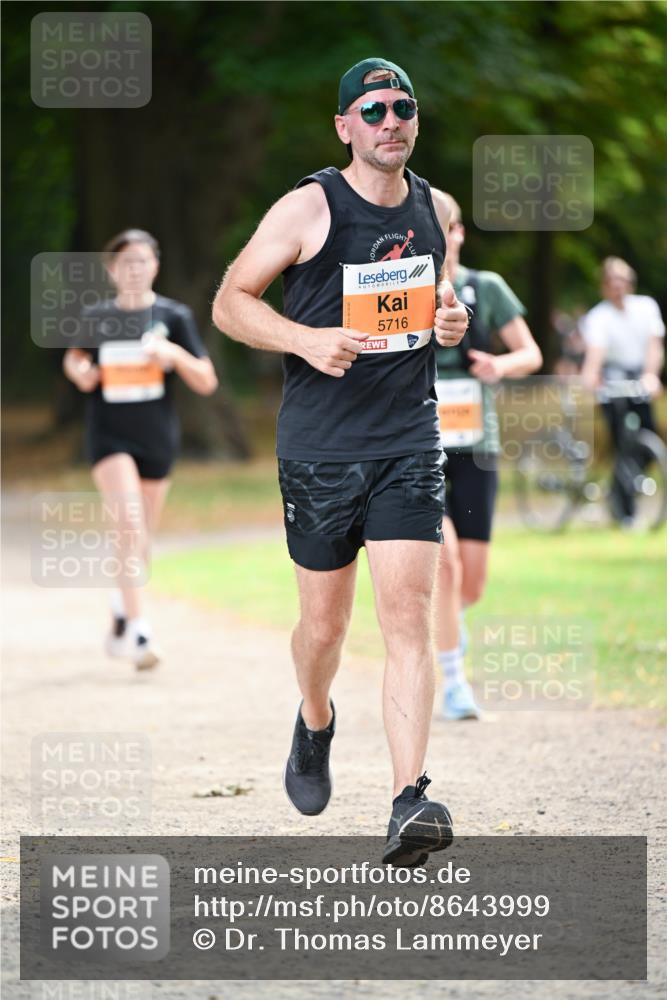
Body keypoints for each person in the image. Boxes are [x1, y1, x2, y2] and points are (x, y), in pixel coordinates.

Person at [213, 58, 469, 866]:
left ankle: (407, 800)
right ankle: (315, 717)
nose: (389, 119)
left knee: (407, 622)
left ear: (414, 120)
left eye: (402, 106)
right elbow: (231, 301)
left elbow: (433, 304)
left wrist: (450, 321)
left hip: (407, 444)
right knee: (324, 628)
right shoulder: (310, 205)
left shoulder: (434, 208)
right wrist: (304, 338)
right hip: (321, 450)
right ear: (345, 125)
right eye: (372, 109)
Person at [63, 229, 218, 668]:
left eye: (142, 261)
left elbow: (206, 381)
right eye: (125, 262)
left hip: (157, 438)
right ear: (112, 269)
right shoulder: (96, 316)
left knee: (141, 537)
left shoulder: (174, 316)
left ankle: (120, 606)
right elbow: (74, 358)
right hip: (109, 436)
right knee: (129, 526)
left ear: (155, 266)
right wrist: (80, 373)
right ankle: (140, 631)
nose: (134, 269)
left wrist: (173, 355)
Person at [434, 195, 542, 720]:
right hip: (419, 449)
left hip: (477, 446)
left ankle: (450, 625)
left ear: (459, 235)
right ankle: (453, 682)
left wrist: (500, 365)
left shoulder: (487, 286)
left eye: (450, 228)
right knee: (445, 564)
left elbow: (531, 352)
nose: (444, 237)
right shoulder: (402, 290)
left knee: (470, 580)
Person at [580, 257, 664, 523]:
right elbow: (596, 353)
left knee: (647, 437)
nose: (618, 287)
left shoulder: (646, 307)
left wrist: (651, 375)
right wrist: (591, 378)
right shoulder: (599, 316)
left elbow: (654, 345)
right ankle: (624, 510)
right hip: (613, 378)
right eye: (612, 282)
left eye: (622, 281)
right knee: (621, 443)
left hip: (639, 375)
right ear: (604, 286)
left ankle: (622, 492)